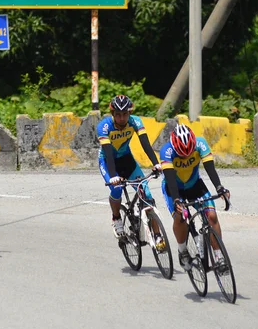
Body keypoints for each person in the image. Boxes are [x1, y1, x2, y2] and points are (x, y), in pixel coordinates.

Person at [159, 124, 231, 271]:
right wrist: (177, 200)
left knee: (212, 216)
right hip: (174, 188)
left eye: (188, 153)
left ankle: (219, 256)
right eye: (181, 155)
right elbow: (171, 179)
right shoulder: (166, 151)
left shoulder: (200, 144)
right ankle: (182, 250)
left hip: (194, 185)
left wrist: (219, 187)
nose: (185, 157)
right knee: (180, 218)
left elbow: (210, 168)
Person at [97, 95, 162, 240]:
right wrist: (113, 176)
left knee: (147, 196)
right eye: (118, 115)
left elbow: (145, 145)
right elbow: (108, 152)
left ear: (129, 113)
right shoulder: (104, 126)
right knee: (117, 188)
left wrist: (156, 163)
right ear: (113, 114)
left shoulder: (135, 122)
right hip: (108, 162)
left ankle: (157, 235)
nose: (122, 118)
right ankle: (116, 218)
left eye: (125, 114)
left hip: (127, 160)